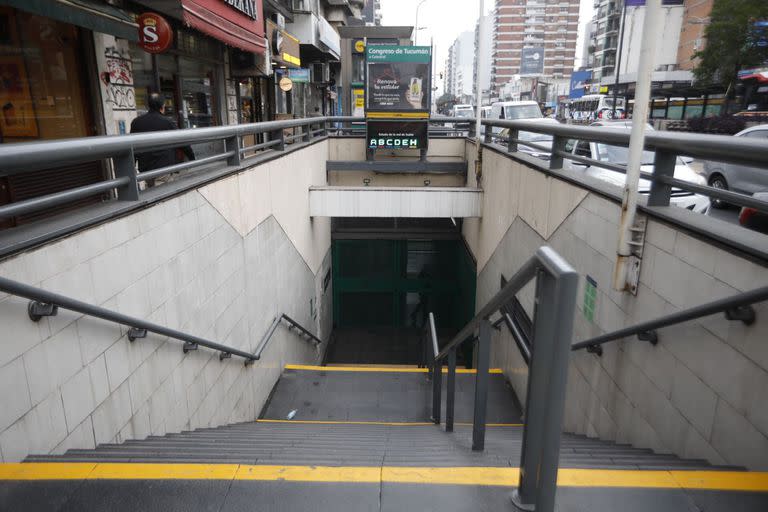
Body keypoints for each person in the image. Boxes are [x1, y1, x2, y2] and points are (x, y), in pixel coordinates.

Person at [130, 92, 194, 187]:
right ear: (163, 106)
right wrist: (192, 158)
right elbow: (182, 141)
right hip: (163, 169)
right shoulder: (167, 122)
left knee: (151, 192)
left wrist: (132, 166)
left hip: (146, 170)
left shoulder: (136, 122)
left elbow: (132, 146)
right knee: (165, 196)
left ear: (148, 105)